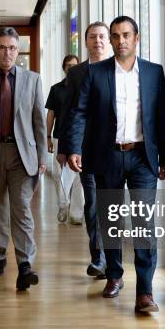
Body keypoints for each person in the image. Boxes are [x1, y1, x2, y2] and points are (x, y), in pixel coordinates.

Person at [65, 16, 165, 313]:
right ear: (111, 40)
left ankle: (146, 292)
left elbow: (163, 116)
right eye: (115, 36)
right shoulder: (97, 73)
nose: (120, 40)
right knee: (110, 220)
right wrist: (74, 147)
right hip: (107, 155)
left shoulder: (153, 72)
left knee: (143, 224)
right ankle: (113, 275)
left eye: (126, 35)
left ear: (136, 38)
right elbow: (79, 112)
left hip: (142, 157)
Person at [0, 27, 47, 291]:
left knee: (21, 208)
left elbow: (39, 122)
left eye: (11, 47)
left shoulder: (32, 79)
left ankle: (25, 263)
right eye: (1, 47)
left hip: (23, 155)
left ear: (17, 50)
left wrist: (42, 156)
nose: (6, 52)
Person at [57, 21, 111, 279]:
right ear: (86, 42)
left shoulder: (119, 68)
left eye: (102, 36)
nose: (98, 41)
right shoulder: (76, 73)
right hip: (85, 150)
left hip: (115, 150)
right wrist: (66, 149)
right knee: (92, 204)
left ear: (108, 40)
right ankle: (98, 259)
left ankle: (113, 259)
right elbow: (67, 112)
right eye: (92, 37)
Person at [46, 54, 82, 225]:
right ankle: (63, 204)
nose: (71, 68)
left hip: (80, 138)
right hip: (60, 136)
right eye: (68, 65)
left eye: (74, 65)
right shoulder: (56, 89)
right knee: (59, 174)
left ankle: (76, 213)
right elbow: (51, 114)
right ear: (64, 67)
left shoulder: (84, 87)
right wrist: (47, 137)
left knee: (78, 177)